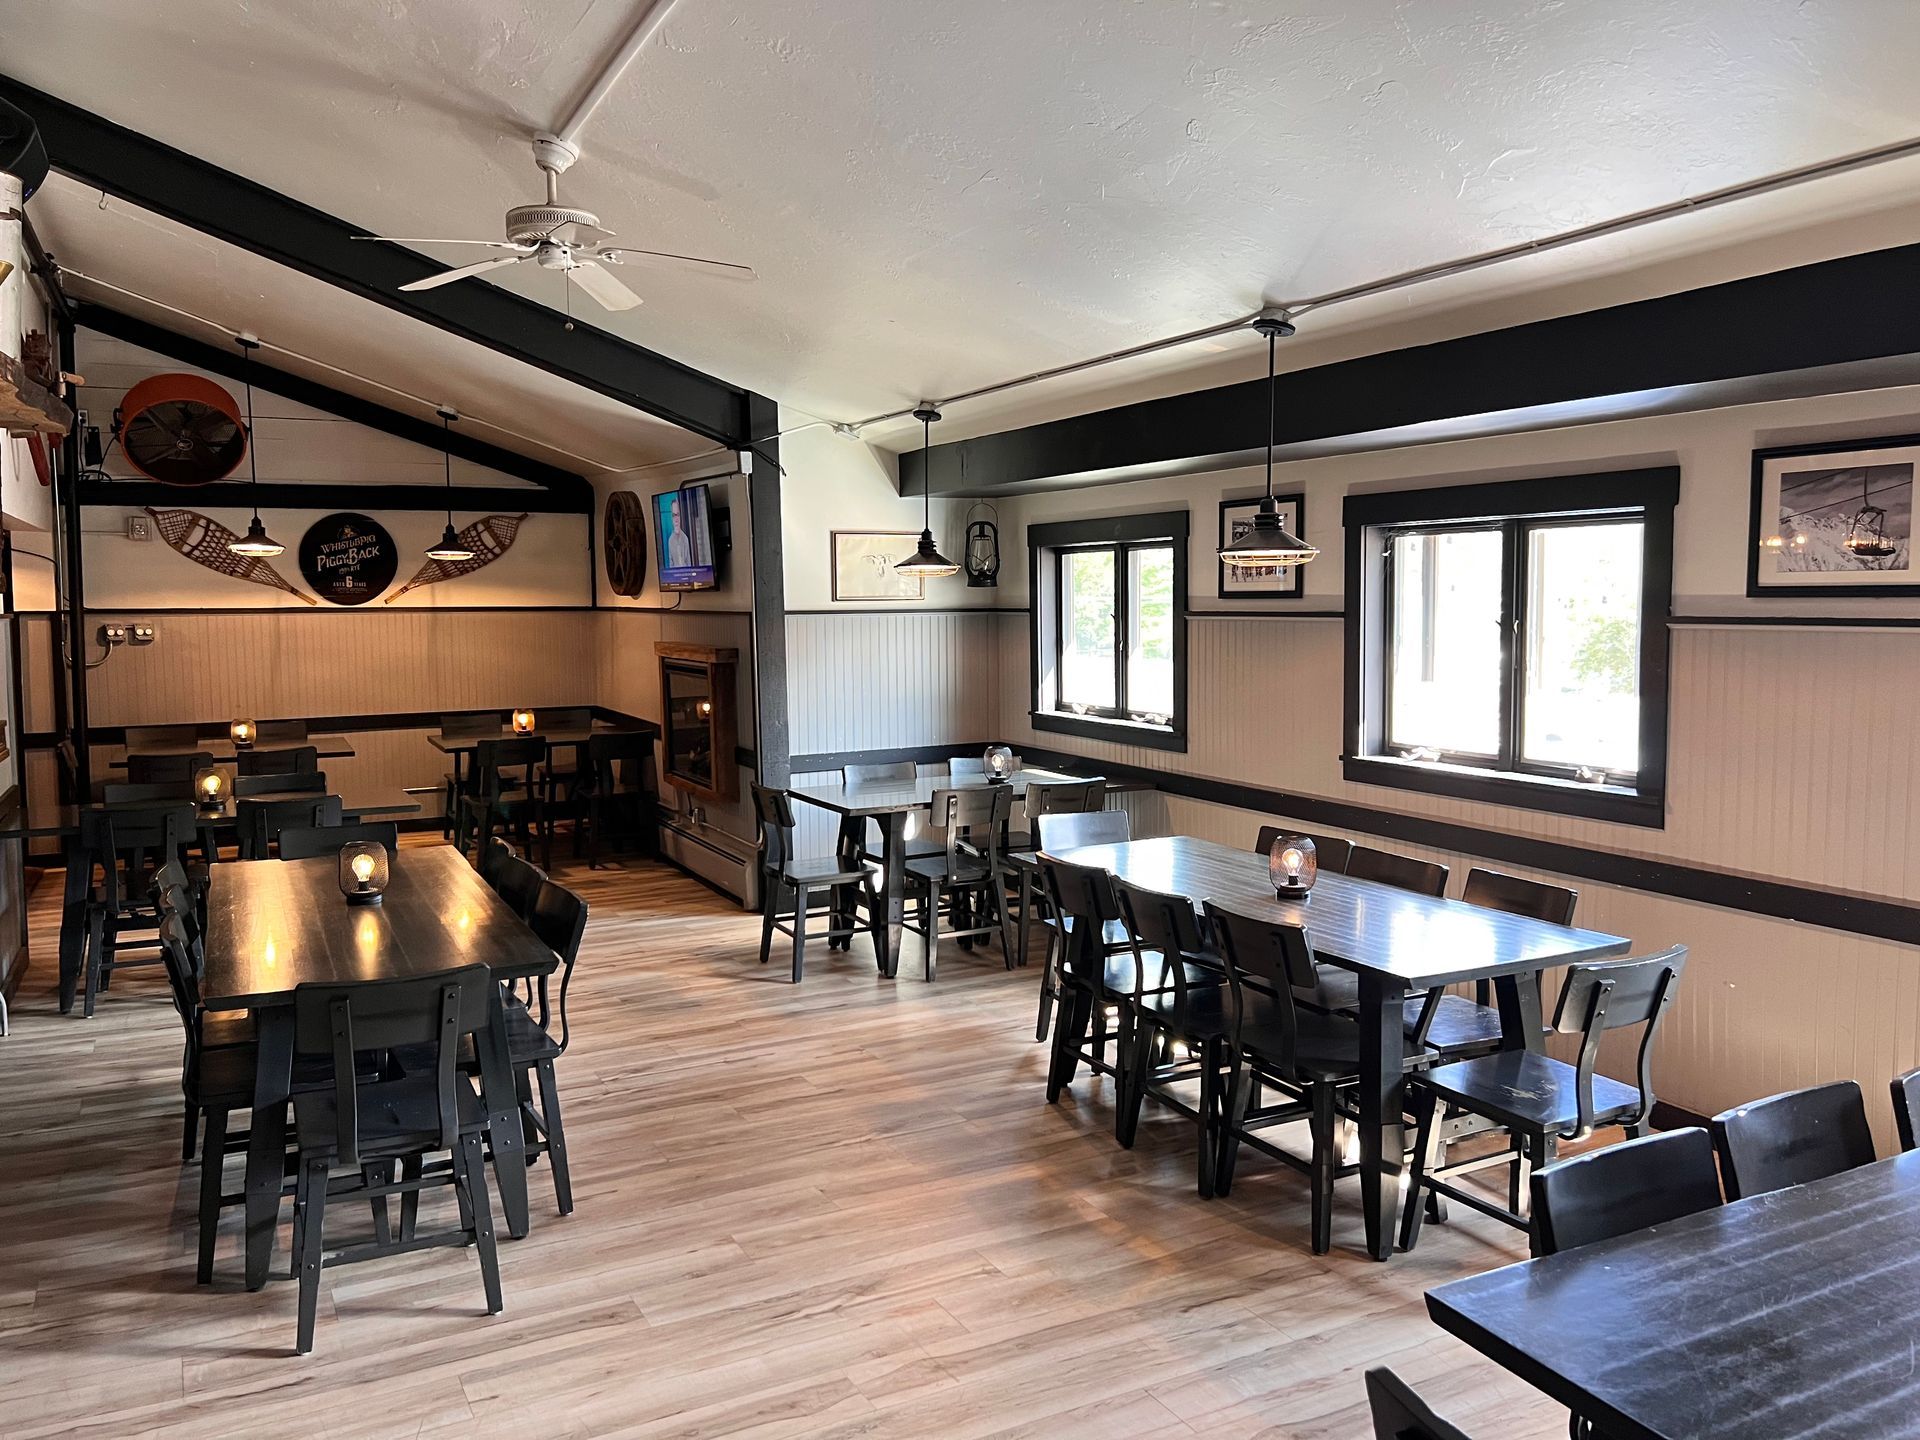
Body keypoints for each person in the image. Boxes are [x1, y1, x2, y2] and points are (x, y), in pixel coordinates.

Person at [666, 495, 693, 570]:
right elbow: (671, 563)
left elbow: (688, 562)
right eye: (673, 515)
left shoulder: (685, 538)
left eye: (677, 514)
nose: (676, 519)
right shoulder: (670, 540)